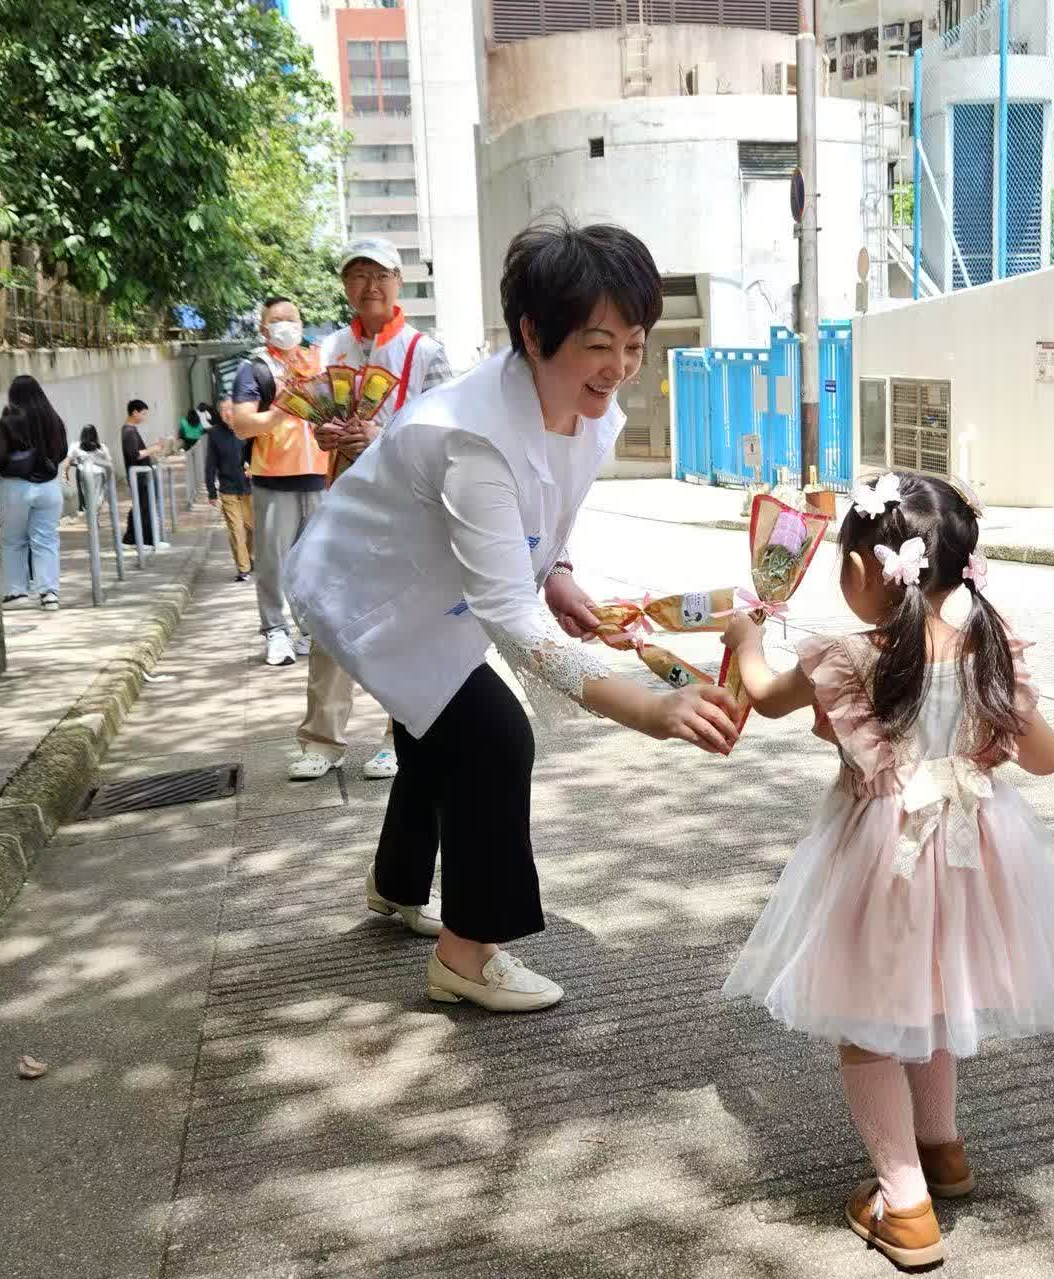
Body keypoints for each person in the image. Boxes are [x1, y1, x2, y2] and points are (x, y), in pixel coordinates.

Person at [285, 221, 741, 1012]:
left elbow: (549, 505)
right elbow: (506, 612)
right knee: (493, 737)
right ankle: (467, 954)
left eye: (634, 344)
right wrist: (645, 706)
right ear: (533, 333)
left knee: (434, 731)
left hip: (437, 585)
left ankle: (396, 883)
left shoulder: (589, 407)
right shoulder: (471, 438)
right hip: (370, 593)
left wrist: (558, 573)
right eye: (598, 344)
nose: (619, 367)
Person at [719, 472, 1054, 1270]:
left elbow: (761, 694)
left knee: (867, 1024)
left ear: (865, 570)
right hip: (974, 851)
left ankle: (903, 1205)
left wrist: (745, 638)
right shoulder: (987, 651)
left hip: (883, 858)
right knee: (931, 995)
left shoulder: (847, 658)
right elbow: (1047, 758)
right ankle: (942, 1149)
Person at [284, 235, 453, 783]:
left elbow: (445, 429)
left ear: (398, 283)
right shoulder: (330, 347)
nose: (370, 285)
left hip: (406, 503)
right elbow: (315, 413)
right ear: (345, 286)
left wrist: (383, 436)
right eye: (358, 275)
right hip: (344, 501)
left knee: (402, 619)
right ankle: (321, 739)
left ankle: (395, 738)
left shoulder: (424, 350)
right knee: (328, 611)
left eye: (380, 275)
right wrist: (324, 433)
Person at [230, 297, 327, 669]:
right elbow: (242, 425)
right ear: (264, 328)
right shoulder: (255, 369)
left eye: (292, 318)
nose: (286, 325)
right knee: (272, 562)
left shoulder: (317, 363)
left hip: (319, 476)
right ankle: (275, 630)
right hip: (274, 479)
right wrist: (283, 407)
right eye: (277, 320)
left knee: (314, 562)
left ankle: (310, 630)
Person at [0, 375, 69, 611]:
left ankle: (16, 593)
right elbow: (62, 452)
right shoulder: (53, 419)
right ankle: (49, 594)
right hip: (49, 487)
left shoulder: (8, 421)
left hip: (14, 487)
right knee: (46, 540)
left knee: (13, 540)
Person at [204, 397, 255, 582]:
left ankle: (248, 558)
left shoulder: (247, 429)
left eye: (230, 409)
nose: (227, 413)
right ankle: (243, 568)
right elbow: (210, 464)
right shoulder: (214, 434)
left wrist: (253, 467)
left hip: (248, 488)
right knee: (236, 530)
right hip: (228, 490)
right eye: (223, 410)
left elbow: (256, 454)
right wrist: (211, 490)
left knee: (252, 529)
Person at [120, 399, 166, 548]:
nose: (145, 417)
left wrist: (153, 449)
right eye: (143, 413)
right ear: (135, 412)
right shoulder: (129, 431)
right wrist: (155, 448)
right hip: (139, 476)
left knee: (140, 507)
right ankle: (145, 540)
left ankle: (131, 539)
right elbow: (135, 454)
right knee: (144, 507)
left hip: (140, 475)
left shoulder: (130, 430)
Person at [65, 424, 115, 513]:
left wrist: (66, 474)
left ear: (82, 435)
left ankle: (90, 512)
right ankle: (94, 514)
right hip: (98, 475)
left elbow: (68, 462)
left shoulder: (75, 446)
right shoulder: (102, 448)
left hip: (83, 474)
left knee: (87, 499)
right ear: (95, 435)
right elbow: (109, 464)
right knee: (97, 499)